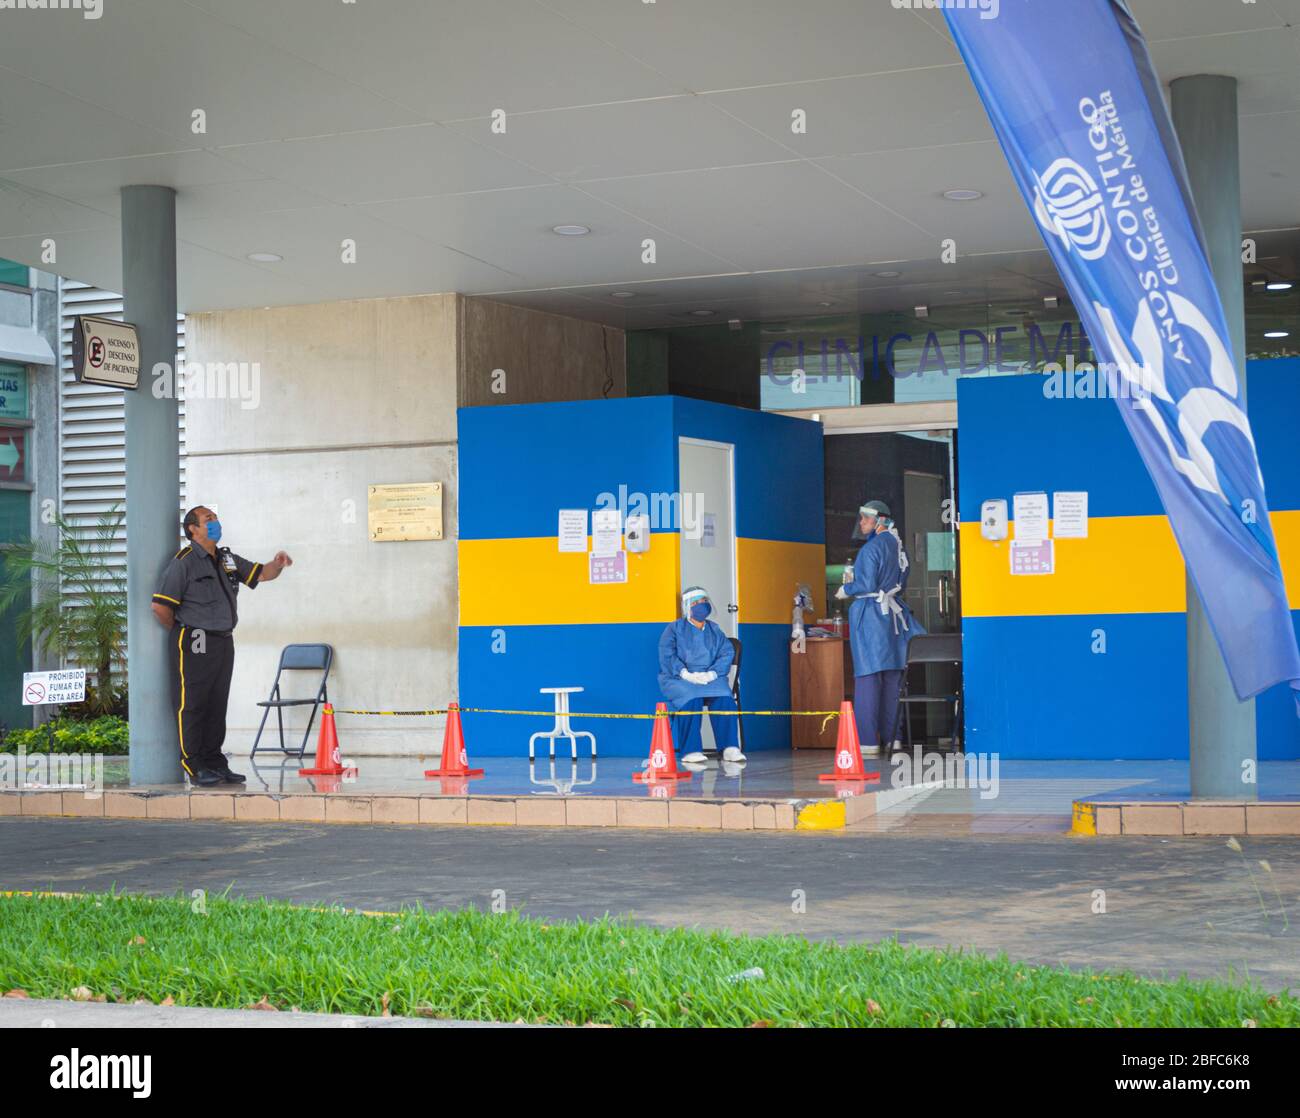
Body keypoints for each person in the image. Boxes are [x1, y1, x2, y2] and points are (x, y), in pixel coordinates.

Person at [150, 506, 293, 786]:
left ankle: (215, 762)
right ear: (193, 528)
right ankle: (194, 765)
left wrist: (277, 564)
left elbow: (260, 574)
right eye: (208, 519)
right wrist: (188, 632)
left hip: (223, 639)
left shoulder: (226, 558)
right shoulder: (185, 562)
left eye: (215, 518)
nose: (215, 522)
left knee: (217, 703)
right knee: (193, 703)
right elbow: (160, 607)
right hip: (197, 638)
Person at [835, 500, 924, 755]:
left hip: (870, 614)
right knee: (893, 679)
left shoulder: (871, 549)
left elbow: (865, 584)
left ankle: (867, 742)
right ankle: (893, 737)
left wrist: (846, 589)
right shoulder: (898, 548)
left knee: (867, 679)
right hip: (893, 617)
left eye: (865, 518)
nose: (861, 523)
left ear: (879, 521)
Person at [657, 586, 745, 765]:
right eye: (696, 603)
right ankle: (691, 750)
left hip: (711, 678)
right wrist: (685, 674)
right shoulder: (674, 629)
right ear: (687, 607)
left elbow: (726, 653)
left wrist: (713, 673)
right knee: (691, 698)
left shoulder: (714, 630)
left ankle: (729, 748)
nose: (701, 606)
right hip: (679, 679)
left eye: (704, 601)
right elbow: (667, 654)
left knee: (724, 698)